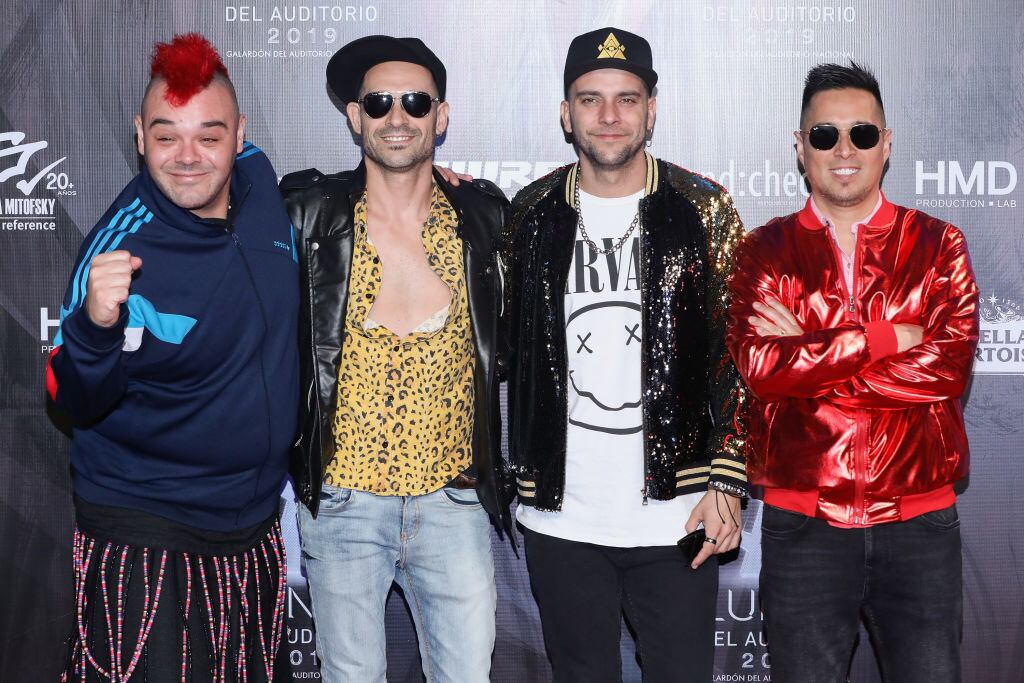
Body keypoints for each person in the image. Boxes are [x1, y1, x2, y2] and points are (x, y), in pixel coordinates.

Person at [500, 27, 748, 682]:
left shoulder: (704, 209)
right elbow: (503, 350)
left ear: (652, 109)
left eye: (626, 98)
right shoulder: (530, 214)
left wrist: (728, 476)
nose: (609, 116)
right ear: (565, 113)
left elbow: (739, 354)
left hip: (682, 511)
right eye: (590, 99)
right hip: (561, 515)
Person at [49, 33, 297, 681]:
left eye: (209, 136)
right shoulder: (118, 251)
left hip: (252, 529)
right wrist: (96, 327)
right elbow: (70, 396)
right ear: (138, 135)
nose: (188, 157)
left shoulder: (260, 182)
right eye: (166, 136)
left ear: (240, 136)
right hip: (147, 532)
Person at [727, 62, 979, 682]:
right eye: (824, 135)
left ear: (886, 144)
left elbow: (944, 370)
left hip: (920, 525)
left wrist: (809, 359)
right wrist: (885, 338)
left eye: (862, 135)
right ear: (799, 146)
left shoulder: (939, 245)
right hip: (804, 526)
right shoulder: (764, 249)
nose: (845, 151)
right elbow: (761, 368)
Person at [279, 35, 512, 682]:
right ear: (354, 116)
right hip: (344, 503)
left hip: (454, 505)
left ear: (441, 115)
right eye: (378, 103)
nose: (397, 117)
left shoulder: (485, 217)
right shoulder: (306, 213)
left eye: (416, 101)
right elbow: (213, 190)